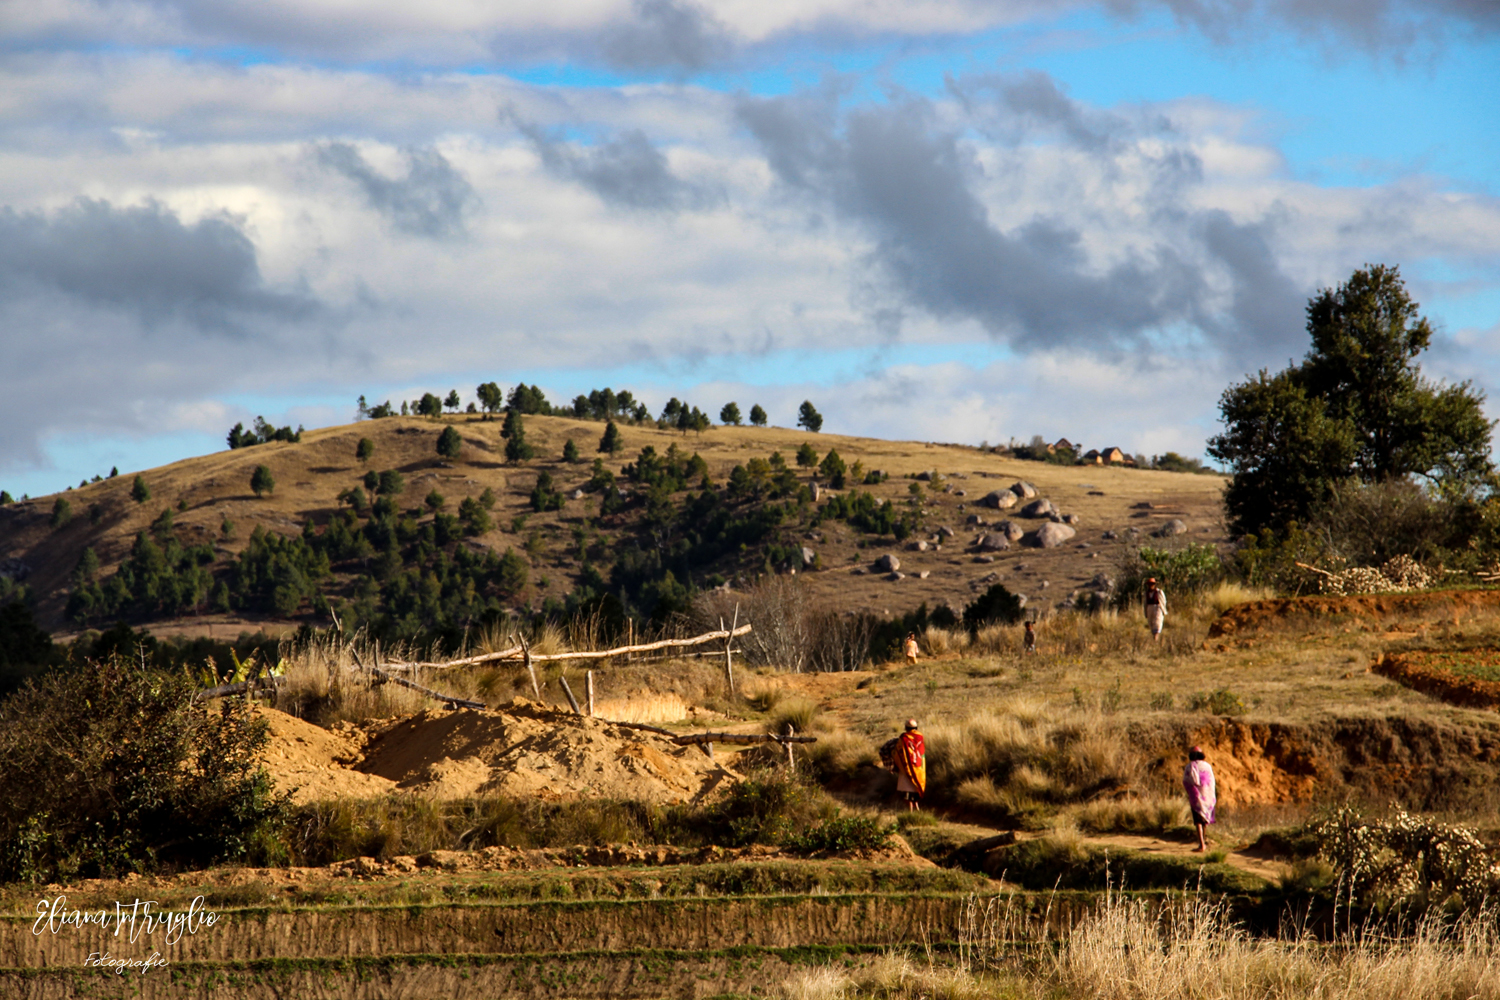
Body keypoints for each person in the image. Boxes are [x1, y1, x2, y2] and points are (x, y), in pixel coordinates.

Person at [1182, 746, 1216, 852]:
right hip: (1209, 797)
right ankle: (1203, 842)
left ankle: (1201, 845)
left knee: (1198, 821)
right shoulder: (1207, 766)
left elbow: (1188, 780)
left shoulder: (1190, 766)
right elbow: (1211, 781)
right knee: (1204, 820)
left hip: (1197, 797)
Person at [892, 719, 926, 811]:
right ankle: (917, 809)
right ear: (916, 728)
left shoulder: (903, 738)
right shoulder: (920, 737)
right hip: (919, 767)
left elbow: (898, 752)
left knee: (907, 790)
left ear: (906, 728)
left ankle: (910, 811)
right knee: (916, 788)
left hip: (906, 767)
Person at [1144, 577, 1167, 642]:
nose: (1150, 586)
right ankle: (1155, 639)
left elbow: (1163, 601)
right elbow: (1145, 603)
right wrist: (1146, 612)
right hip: (1149, 609)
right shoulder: (1146, 593)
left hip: (1157, 609)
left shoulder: (1159, 592)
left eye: (1152, 584)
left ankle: (1156, 639)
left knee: (1157, 624)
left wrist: (1163, 610)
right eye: (1149, 584)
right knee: (1151, 624)